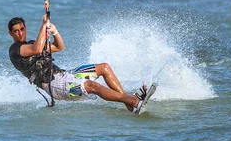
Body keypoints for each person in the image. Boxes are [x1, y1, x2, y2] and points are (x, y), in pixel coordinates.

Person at [8, 15, 150, 113]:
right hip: (53, 86)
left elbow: (59, 47)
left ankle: (129, 104)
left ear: (25, 28)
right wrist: (43, 25)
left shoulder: (33, 42)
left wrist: (54, 31)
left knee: (104, 68)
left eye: (22, 29)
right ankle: (132, 100)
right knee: (92, 86)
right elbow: (37, 49)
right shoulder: (15, 50)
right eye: (16, 31)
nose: (20, 33)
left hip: (64, 75)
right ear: (11, 34)